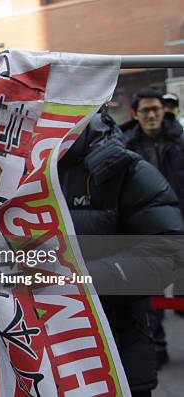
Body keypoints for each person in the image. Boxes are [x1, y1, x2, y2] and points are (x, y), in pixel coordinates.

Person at [60, 112, 184, 396]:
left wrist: (82, 279)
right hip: (23, 357)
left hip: (114, 355)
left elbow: (169, 251)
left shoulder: (120, 166)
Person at [121, 89, 184, 366]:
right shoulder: (124, 146)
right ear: (136, 114)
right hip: (145, 232)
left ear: (163, 111)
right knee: (152, 293)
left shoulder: (180, 141)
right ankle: (158, 346)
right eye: (145, 110)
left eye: (155, 109)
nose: (151, 115)